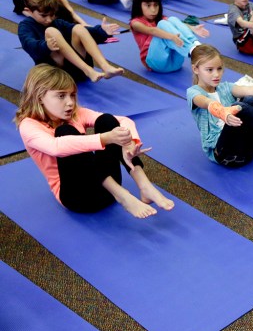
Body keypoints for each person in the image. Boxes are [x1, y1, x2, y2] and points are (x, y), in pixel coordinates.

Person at [15, 64, 174, 219]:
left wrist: (129, 143)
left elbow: (123, 121)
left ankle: (144, 185)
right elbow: (56, 147)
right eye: (61, 96)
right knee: (65, 132)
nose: (70, 102)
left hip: (106, 188)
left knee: (107, 120)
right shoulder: (28, 126)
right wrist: (106, 138)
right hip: (79, 199)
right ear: (40, 97)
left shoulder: (76, 114)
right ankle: (123, 196)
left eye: (72, 95)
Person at [18, 0, 124, 83]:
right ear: (29, 11)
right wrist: (46, 46)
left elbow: (86, 33)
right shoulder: (25, 26)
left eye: (52, 15)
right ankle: (88, 70)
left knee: (78, 28)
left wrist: (102, 31)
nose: (49, 19)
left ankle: (106, 67)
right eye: (44, 16)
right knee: (51, 31)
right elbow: (29, 45)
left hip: (76, 71)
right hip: (56, 74)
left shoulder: (58, 22)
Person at [129, 0, 207, 73]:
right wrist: (172, 37)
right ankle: (192, 50)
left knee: (173, 19)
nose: (153, 10)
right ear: (138, 5)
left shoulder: (161, 18)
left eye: (156, 5)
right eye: (148, 5)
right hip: (156, 64)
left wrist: (192, 28)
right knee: (162, 24)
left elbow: (179, 24)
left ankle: (196, 45)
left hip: (176, 63)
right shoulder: (135, 23)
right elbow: (152, 31)